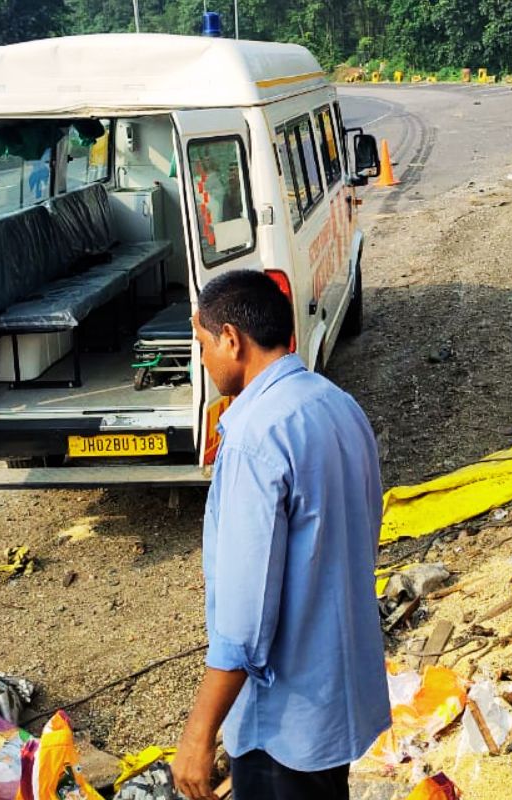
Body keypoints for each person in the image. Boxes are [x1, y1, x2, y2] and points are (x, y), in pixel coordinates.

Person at [172, 270, 390, 800]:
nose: (203, 360)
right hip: (334, 707)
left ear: (231, 339)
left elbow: (244, 622)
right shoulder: (337, 403)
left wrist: (198, 733)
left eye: (203, 345)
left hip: (283, 723)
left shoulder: (254, 439)